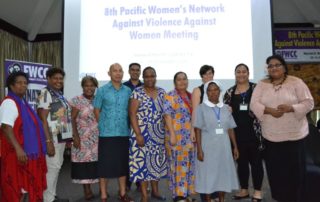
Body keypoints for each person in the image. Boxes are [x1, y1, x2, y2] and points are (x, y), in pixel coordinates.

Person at [250, 55, 314, 202]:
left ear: (284, 67)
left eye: (277, 65)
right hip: (271, 138)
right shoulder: (261, 84)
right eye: (270, 66)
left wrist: (292, 108)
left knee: (296, 175)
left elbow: (309, 103)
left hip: (295, 137)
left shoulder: (296, 82)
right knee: (276, 174)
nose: (274, 68)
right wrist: (269, 111)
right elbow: (254, 105)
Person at [0, 71, 47, 202]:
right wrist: (18, 149)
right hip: (15, 153)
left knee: (23, 187)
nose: (23, 86)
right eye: (19, 83)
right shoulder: (9, 103)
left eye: (25, 83)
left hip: (24, 153)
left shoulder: (22, 102)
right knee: (14, 187)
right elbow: (6, 127)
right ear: (11, 85)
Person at [223, 63, 264, 202]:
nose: (241, 74)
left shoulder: (257, 88)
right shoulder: (229, 92)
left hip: (254, 133)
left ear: (248, 73)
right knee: (241, 164)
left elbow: (264, 106)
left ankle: (258, 192)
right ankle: (244, 190)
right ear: (235, 74)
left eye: (244, 71)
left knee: (256, 163)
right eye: (238, 72)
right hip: (237, 135)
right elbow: (224, 114)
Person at [93, 63, 133, 202]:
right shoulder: (102, 90)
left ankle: (122, 193)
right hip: (106, 134)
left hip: (123, 132)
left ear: (123, 73)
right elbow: (96, 109)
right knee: (105, 165)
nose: (118, 73)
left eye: (120, 71)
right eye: (114, 71)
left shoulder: (128, 91)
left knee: (122, 165)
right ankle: (103, 195)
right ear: (109, 73)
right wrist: (102, 125)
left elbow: (131, 111)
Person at [194, 81, 239, 202]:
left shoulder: (225, 108)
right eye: (210, 90)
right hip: (207, 147)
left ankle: (221, 199)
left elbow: (230, 128)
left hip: (223, 147)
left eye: (216, 89)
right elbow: (197, 130)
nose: (213, 92)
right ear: (206, 92)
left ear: (220, 91)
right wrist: (199, 150)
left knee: (222, 174)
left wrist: (235, 147)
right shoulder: (201, 108)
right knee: (208, 175)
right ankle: (208, 200)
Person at [129, 67, 168, 202]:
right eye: (147, 76)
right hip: (142, 134)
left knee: (155, 163)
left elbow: (166, 114)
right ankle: (144, 195)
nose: (150, 79)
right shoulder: (137, 92)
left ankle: (155, 191)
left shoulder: (162, 92)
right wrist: (138, 134)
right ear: (143, 78)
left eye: (152, 76)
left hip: (158, 134)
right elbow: (132, 114)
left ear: (156, 77)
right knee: (143, 165)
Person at [37, 67, 71, 202]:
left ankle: (52, 195)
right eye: (55, 78)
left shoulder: (58, 94)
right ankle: (47, 199)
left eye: (61, 78)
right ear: (48, 79)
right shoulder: (45, 93)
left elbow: (62, 117)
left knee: (56, 167)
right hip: (52, 138)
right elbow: (42, 119)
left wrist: (68, 137)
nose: (59, 81)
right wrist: (48, 141)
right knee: (52, 169)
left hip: (61, 138)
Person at [164, 72, 196, 202]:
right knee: (177, 166)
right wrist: (172, 134)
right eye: (179, 79)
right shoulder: (170, 96)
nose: (182, 82)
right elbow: (167, 116)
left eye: (184, 79)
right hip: (176, 138)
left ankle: (186, 194)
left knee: (188, 166)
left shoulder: (190, 96)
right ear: (174, 82)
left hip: (189, 138)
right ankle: (178, 196)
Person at [70, 76, 99, 200]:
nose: (89, 88)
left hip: (97, 138)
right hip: (82, 138)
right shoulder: (77, 100)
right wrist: (75, 137)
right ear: (82, 86)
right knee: (84, 165)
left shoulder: (98, 100)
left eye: (92, 85)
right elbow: (71, 119)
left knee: (95, 164)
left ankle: (98, 189)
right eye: (87, 85)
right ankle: (87, 190)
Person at [191, 65, 217, 201]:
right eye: (205, 74)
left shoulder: (217, 89)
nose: (208, 77)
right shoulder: (198, 90)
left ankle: (215, 194)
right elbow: (195, 111)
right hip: (202, 133)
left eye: (210, 74)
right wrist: (193, 131)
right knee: (204, 165)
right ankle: (205, 196)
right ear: (201, 77)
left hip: (216, 135)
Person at [123, 62, 143, 191]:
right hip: (125, 126)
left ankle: (140, 183)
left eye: (137, 70)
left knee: (140, 155)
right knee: (127, 156)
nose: (135, 72)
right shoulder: (123, 87)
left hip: (141, 127)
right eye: (133, 70)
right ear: (129, 71)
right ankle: (127, 183)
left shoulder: (145, 85)